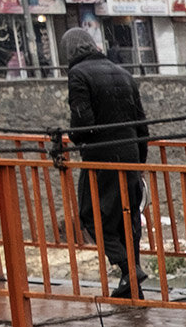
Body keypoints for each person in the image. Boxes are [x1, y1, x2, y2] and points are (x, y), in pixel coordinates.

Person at [61, 27, 150, 299]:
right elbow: (141, 124)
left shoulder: (78, 75)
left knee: (91, 217)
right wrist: (139, 160)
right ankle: (132, 283)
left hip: (102, 158)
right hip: (131, 154)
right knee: (129, 217)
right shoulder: (122, 73)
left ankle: (128, 269)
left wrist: (71, 138)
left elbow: (83, 123)